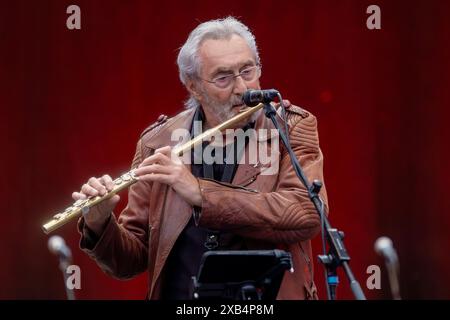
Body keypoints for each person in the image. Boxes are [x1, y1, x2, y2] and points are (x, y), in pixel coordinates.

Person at [73, 16, 328, 300]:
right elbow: (130, 261)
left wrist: (200, 193)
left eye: (248, 70)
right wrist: (100, 223)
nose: (242, 88)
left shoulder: (290, 127)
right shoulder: (157, 141)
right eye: (223, 77)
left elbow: (307, 214)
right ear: (193, 85)